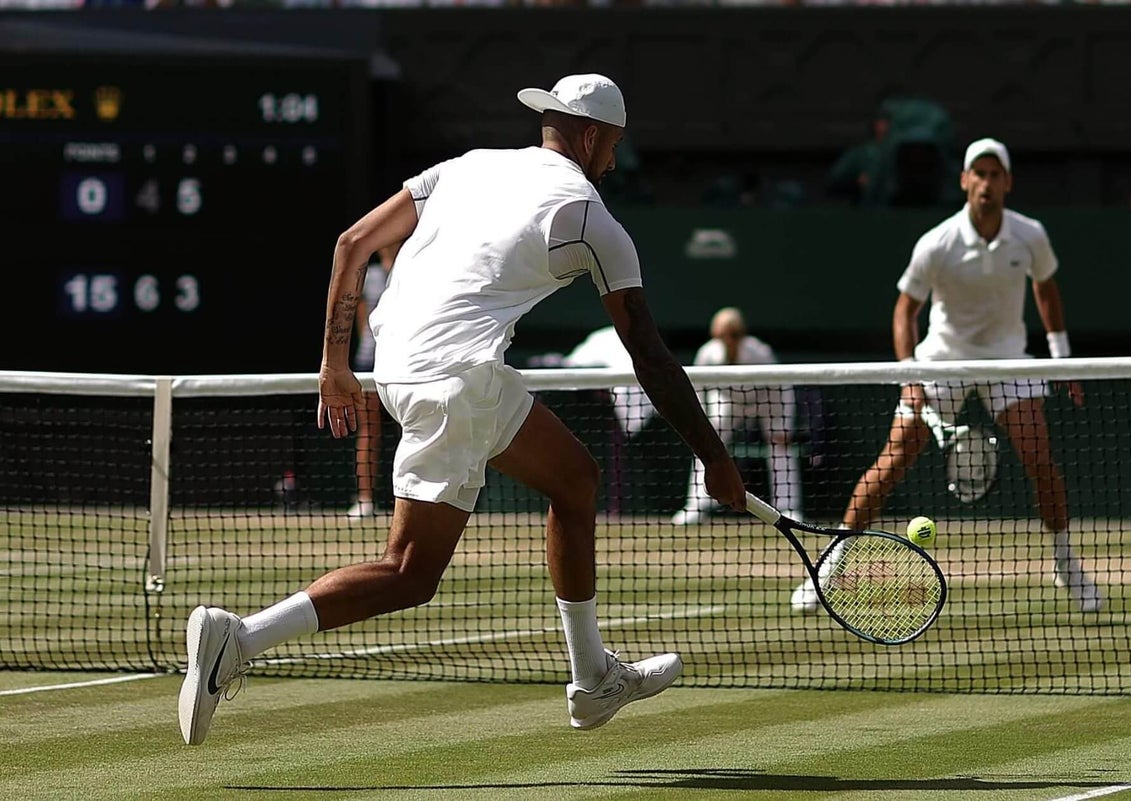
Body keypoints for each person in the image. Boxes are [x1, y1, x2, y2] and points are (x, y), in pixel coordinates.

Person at [178, 73, 746, 746]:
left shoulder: (469, 167)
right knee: (410, 573)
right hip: (456, 381)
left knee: (575, 478)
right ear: (591, 136)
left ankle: (593, 679)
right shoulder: (591, 219)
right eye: (613, 145)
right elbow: (649, 355)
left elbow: (352, 244)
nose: (615, 161)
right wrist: (714, 457)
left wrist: (333, 364)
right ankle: (238, 637)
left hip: (403, 366)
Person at [790, 137, 1099, 614]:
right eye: (979, 174)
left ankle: (1065, 563)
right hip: (941, 360)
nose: (987, 183)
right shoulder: (937, 242)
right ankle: (829, 566)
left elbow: (1047, 290)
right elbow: (904, 311)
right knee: (892, 461)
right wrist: (910, 375)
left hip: (1007, 361)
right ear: (965, 181)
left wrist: (1062, 359)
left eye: (996, 175)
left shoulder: (1030, 235)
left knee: (1039, 458)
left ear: (1007, 183)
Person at [672, 307, 802, 524]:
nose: (728, 340)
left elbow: (781, 386)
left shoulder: (760, 353)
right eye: (722, 335)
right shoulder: (708, 354)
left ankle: (788, 508)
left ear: (741, 334)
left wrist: (783, 427)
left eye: (733, 334)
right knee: (705, 445)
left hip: (765, 402)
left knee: (780, 448)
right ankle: (696, 507)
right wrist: (700, 424)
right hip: (728, 402)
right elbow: (698, 389)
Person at [346, 243, 399, 520]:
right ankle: (365, 500)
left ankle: (409, 501)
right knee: (369, 430)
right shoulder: (372, 276)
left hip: (405, 359)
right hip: (369, 362)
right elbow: (360, 318)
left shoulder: (410, 269)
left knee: (415, 426)